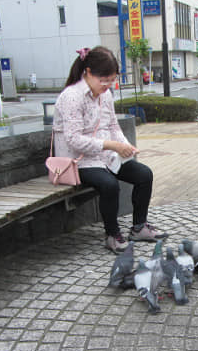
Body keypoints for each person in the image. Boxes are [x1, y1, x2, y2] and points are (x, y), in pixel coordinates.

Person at [52, 46, 167, 253]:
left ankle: (139, 227)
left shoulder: (105, 95)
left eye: (111, 79)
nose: (107, 85)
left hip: (104, 157)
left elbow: (113, 126)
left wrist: (125, 146)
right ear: (87, 72)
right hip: (77, 161)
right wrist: (111, 145)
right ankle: (112, 234)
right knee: (109, 184)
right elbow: (72, 139)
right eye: (103, 79)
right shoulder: (71, 97)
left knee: (144, 174)